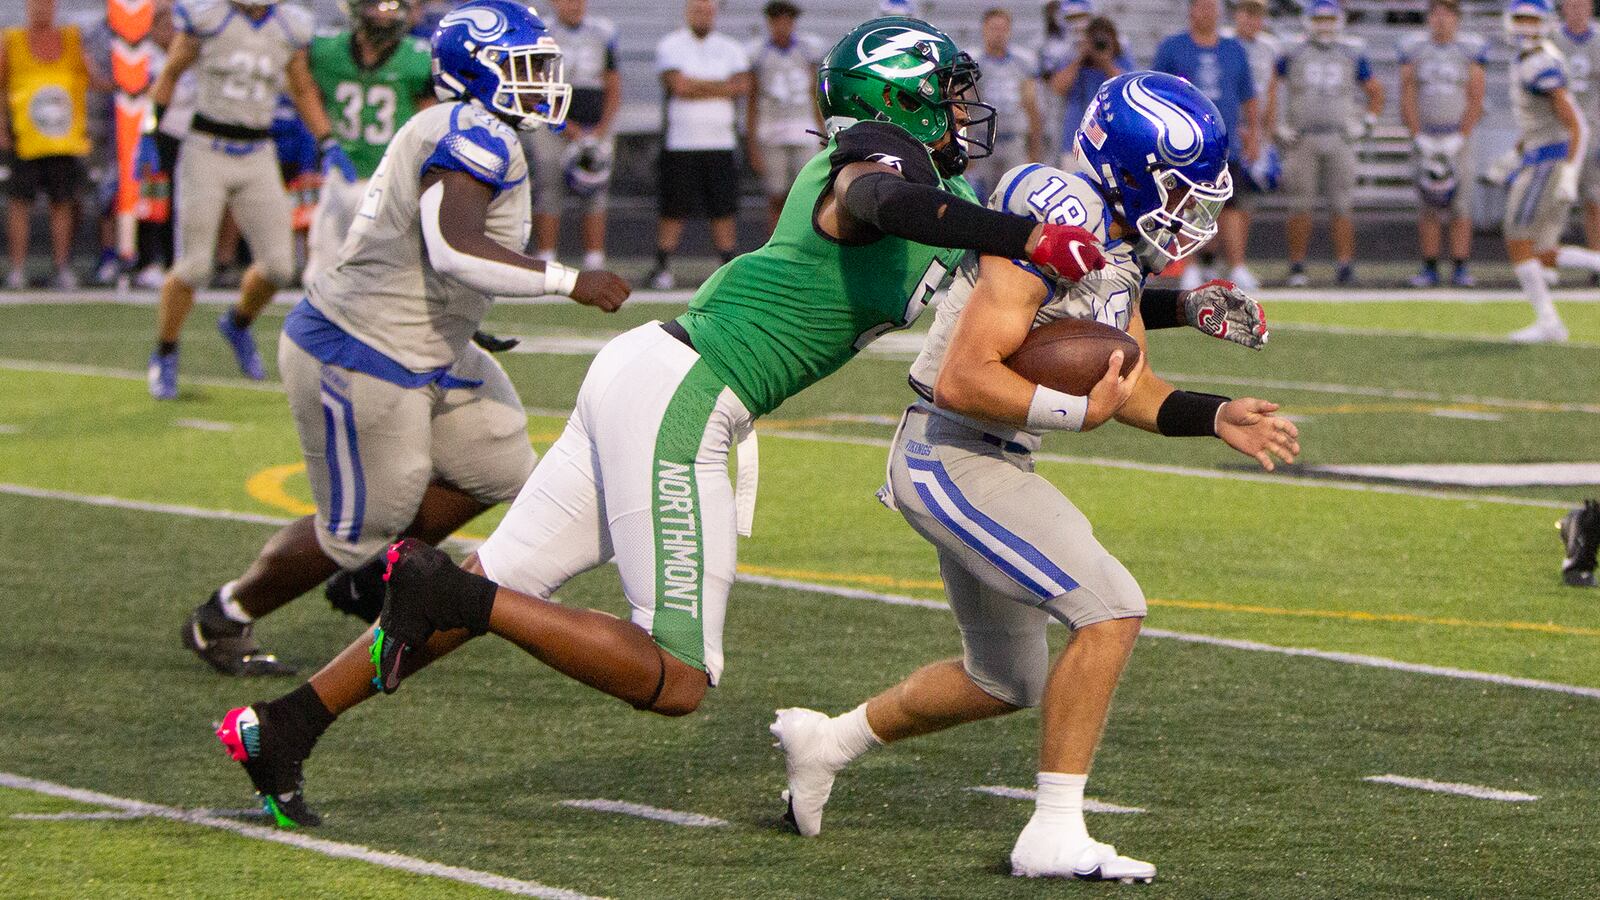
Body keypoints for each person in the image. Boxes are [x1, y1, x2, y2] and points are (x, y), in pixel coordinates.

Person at [213, 15, 1113, 828]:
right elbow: (880, 203)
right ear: (901, 101)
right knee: (676, 676)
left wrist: (1174, 308)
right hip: (688, 391)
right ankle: (452, 591)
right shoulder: (876, 171)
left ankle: (286, 725)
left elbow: (1006, 304)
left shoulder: (931, 198)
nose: (964, 110)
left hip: (653, 375)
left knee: (494, 583)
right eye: (948, 95)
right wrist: (1017, 233)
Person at [771, 71, 1292, 884]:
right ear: (1129, 167)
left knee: (1001, 678)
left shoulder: (1112, 244)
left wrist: (1216, 414)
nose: (1193, 213)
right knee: (1112, 609)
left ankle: (826, 743)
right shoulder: (1061, 209)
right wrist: (1072, 415)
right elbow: (964, 379)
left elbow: (1132, 385)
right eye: (1180, 191)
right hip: (951, 450)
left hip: (986, 453)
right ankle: (1052, 830)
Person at [184, 0, 629, 691]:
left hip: (427, 339)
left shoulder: (472, 127)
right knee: (357, 527)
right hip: (360, 346)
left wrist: (465, 320)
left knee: (500, 463)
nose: (543, 79)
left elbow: (425, 251)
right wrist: (570, 280)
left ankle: (377, 578)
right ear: (478, 71)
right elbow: (453, 246)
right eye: (526, 67)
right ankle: (224, 613)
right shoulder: (473, 134)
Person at [141, 0, 349, 400]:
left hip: (257, 151)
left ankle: (236, 323)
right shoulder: (209, 17)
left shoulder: (290, 25)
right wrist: (151, 133)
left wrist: (327, 141)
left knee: (279, 266)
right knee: (195, 266)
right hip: (207, 148)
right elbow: (170, 73)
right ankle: (165, 352)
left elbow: (302, 87)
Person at [303, 0, 434, 286]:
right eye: (377, 6)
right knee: (320, 273)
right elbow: (301, 85)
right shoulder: (327, 50)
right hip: (342, 173)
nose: (385, 16)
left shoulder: (418, 57)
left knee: (389, 274)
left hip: (392, 177)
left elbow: (430, 116)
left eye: (392, 7)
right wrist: (325, 138)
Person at [1500, 0, 1600, 342]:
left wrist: (1571, 172)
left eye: (1533, 19)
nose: (1526, 26)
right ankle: (1551, 321)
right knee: (1542, 250)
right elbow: (1542, 121)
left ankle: (1548, 322)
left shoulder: (1539, 61)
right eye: (1521, 19)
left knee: (1516, 238)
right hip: (1541, 155)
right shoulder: (1538, 56)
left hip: (1547, 162)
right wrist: (1513, 154)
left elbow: (1577, 124)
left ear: (1545, 23)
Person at [1266, 0, 1383, 287]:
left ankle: (1344, 266)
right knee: (1299, 206)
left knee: (1342, 205)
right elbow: (1271, 85)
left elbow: (1376, 91)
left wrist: (1366, 122)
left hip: (1338, 137)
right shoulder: (1293, 51)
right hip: (1302, 137)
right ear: (1308, 22)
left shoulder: (1351, 51)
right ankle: (1297, 266)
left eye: (1330, 19)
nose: (1325, 25)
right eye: (1319, 20)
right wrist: (1275, 124)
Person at [1151, 0, 1259, 290]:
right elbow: (1156, 91)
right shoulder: (1172, 48)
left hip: (1225, 142)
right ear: (1191, 10)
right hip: (1185, 142)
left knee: (1231, 205)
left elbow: (1248, 95)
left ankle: (1236, 265)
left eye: (1211, 6)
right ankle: (1190, 266)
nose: (1207, 11)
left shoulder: (1234, 49)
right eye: (1201, 6)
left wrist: (1254, 132)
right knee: (1186, 204)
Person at [647, 0, 751, 290]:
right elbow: (678, 86)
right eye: (698, 10)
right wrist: (720, 86)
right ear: (687, 12)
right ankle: (663, 266)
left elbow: (741, 86)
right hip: (682, 142)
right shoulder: (671, 44)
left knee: (723, 208)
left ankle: (727, 267)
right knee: (673, 208)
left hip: (720, 141)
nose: (703, 15)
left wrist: (698, 85)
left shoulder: (730, 47)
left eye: (708, 10)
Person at [0, 0, 97, 291]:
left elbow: (92, 78)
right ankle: (17, 269)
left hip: (63, 138)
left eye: (46, 4)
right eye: (35, 4)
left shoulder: (71, 39)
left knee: (63, 202)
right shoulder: (12, 41)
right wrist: (2, 128)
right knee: (20, 202)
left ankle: (62, 267)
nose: (41, 10)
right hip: (25, 137)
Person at [524, 0, 620, 270]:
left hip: (595, 125)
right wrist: (566, 126)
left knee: (596, 189)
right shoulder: (540, 33)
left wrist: (601, 127)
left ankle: (594, 259)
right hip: (552, 124)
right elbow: (534, 86)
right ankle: (546, 257)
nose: (574, 5)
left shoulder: (602, 33)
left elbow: (613, 83)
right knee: (549, 189)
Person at [1399, 0, 1486, 288]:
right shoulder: (1417, 51)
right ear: (1428, 18)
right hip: (1427, 135)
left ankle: (1461, 266)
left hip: (1456, 137)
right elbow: (1407, 94)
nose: (1441, 19)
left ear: (1457, 18)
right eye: (1436, 13)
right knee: (1428, 204)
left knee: (1461, 205)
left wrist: (1461, 135)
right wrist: (1417, 135)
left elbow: (1476, 96)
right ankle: (1430, 266)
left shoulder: (1468, 51)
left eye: (1447, 13)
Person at [746, 1, 826, 235]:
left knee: (808, 193)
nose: (783, 25)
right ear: (770, 23)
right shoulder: (759, 54)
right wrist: (752, 144)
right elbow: (752, 100)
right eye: (777, 20)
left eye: (787, 20)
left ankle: (804, 243)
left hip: (804, 129)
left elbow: (814, 94)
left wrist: (822, 132)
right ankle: (775, 244)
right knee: (776, 195)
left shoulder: (806, 51)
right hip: (771, 131)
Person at [962, 8, 1042, 201]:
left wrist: (1034, 150)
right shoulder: (973, 62)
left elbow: (1031, 107)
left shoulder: (1023, 62)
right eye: (993, 28)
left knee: (1015, 198)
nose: (998, 33)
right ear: (983, 29)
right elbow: (964, 106)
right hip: (981, 141)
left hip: (1013, 141)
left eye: (1002, 28)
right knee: (978, 199)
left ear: (1009, 30)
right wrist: (966, 148)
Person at [1552, 0, 1600, 280]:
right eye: (1572, 4)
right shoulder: (1552, 41)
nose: (1577, 9)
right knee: (1554, 206)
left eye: (1582, 4)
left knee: (1594, 201)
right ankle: (1549, 263)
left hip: (1593, 132)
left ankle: (1597, 262)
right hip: (1560, 133)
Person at [1049, 14, 1130, 169]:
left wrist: (1106, 62)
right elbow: (1057, 88)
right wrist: (1081, 57)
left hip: (1110, 145)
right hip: (1075, 142)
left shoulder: (1119, 60)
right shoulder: (1074, 61)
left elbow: (1125, 89)